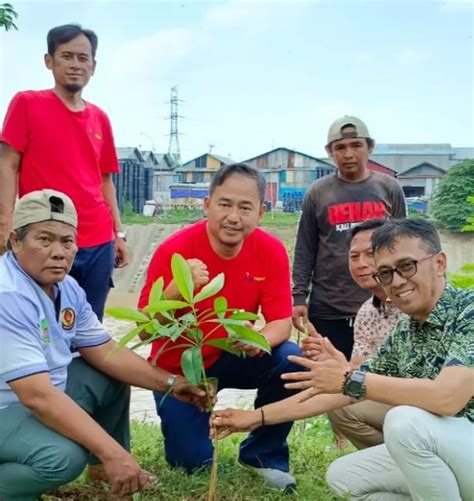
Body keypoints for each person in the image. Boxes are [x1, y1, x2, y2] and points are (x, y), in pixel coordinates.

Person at [214, 219, 473, 500]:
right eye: (386, 273)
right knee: (344, 477)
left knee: (405, 419)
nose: (397, 281)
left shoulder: (467, 311)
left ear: (439, 263)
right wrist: (256, 417)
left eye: (407, 266)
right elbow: (344, 393)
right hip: (449, 454)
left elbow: (447, 398)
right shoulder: (406, 331)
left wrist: (350, 378)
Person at [0, 189, 208, 500]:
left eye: (67, 242)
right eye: (44, 240)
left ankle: (106, 473)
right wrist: (113, 452)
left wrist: (170, 383)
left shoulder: (66, 288)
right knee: (63, 457)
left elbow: (106, 352)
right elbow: (36, 396)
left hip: (37, 396)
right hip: (10, 405)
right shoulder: (9, 295)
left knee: (109, 373)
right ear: (15, 242)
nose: (58, 252)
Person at [138, 163, 301, 490]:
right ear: (207, 205)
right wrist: (176, 289)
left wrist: (261, 340)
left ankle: (263, 456)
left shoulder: (270, 251)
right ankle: (192, 431)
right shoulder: (175, 250)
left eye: (245, 207)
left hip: (232, 352)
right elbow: (145, 331)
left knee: (289, 358)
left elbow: (281, 322)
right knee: (191, 464)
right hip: (181, 367)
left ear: (261, 213)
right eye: (225, 204)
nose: (234, 216)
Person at [0, 24, 127, 321]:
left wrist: (118, 234)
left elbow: (105, 179)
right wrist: (5, 221)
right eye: (66, 56)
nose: (75, 65)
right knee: (36, 319)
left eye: (83, 58)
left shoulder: (100, 118)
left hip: (97, 240)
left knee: (89, 323)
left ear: (93, 66)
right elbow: (8, 164)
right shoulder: (27, 103)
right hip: (45, 236)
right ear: (49, 61)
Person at [292, 116, 406, 360]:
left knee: (378, 379)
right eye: (340, 148)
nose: (348, 154)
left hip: (381, 307)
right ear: (329, 152)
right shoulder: (318, 192)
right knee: (326, 376)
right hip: (329, 307)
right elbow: (305, 248)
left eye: (356, 145)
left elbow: (404, 245)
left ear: (370, 147)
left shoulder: (389, 187)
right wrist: (299, 296)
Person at [302, 218, 402, 450]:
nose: (361, 264)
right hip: (392, 399)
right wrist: (331, 362)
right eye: (354, 256)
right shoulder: (367, 312)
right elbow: (359, 368)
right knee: (339, 401)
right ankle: (391, 462)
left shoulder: (411, 302)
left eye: (371, 254)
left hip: (433, 403)